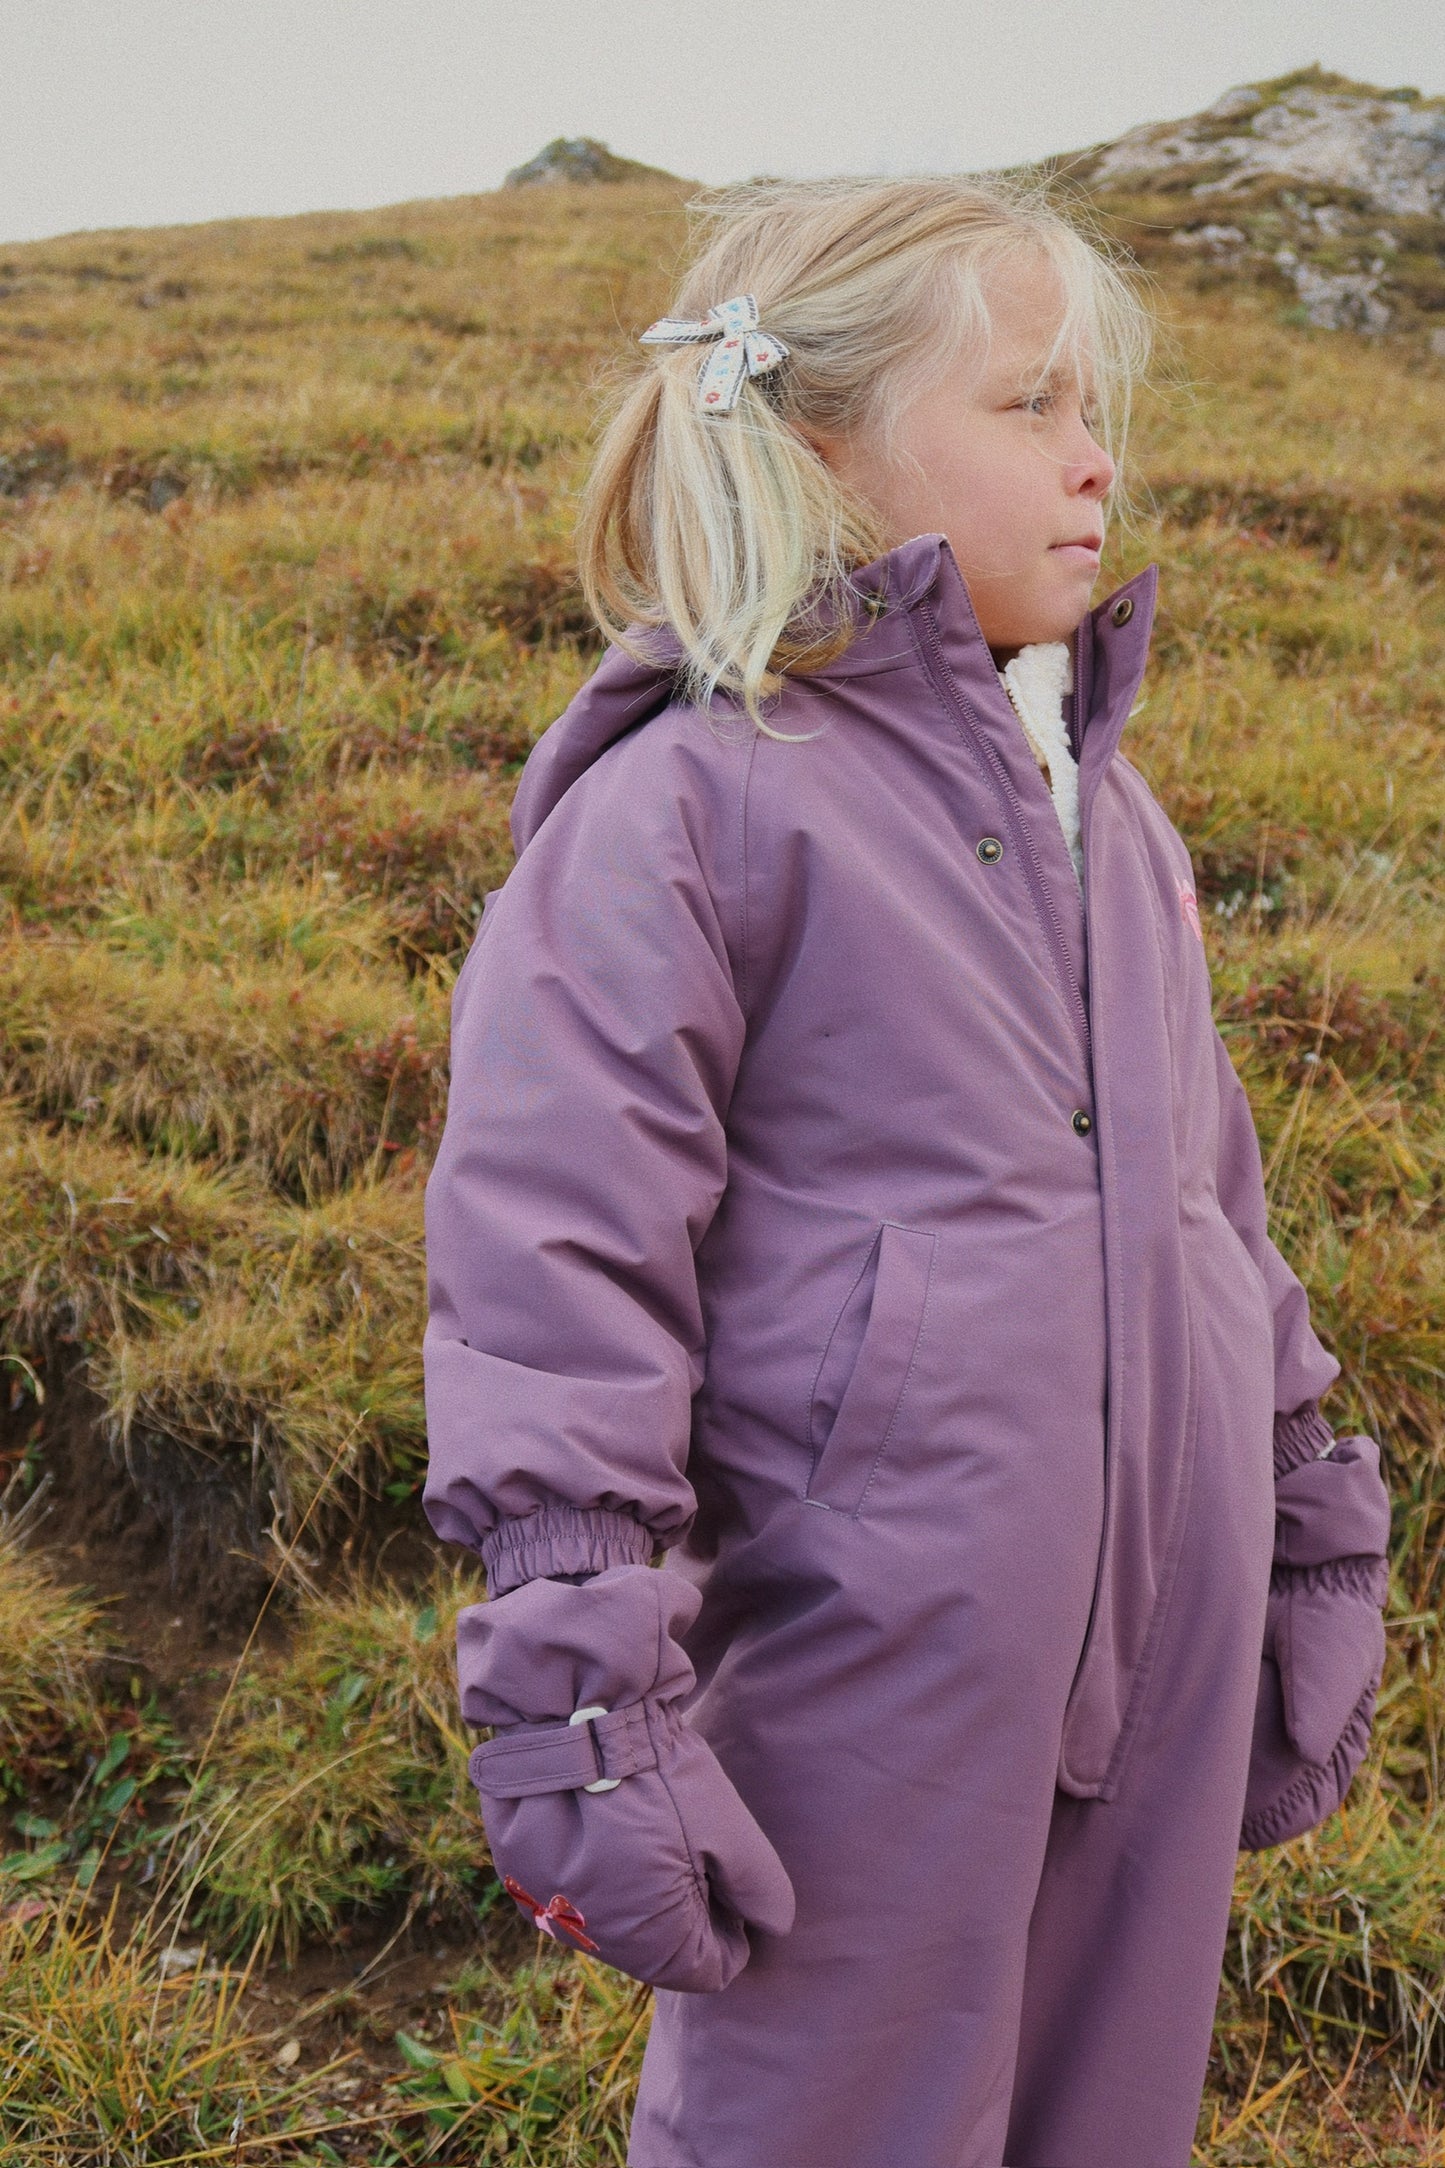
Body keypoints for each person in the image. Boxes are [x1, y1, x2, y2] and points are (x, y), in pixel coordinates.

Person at [422, 176, 1392, 2168]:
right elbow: (554, 1274)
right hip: (869, 1675)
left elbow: (1216, 1205)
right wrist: (581, 1702)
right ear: (821, 442)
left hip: (1160, 1645)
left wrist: (1305, 1522)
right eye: (1031, 403)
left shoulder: (1116, 832)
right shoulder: (691, 815)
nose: (1096, 457)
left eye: (1095, 406)